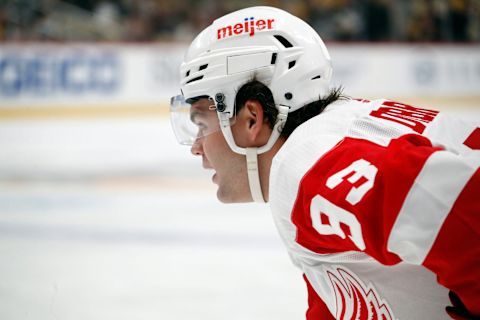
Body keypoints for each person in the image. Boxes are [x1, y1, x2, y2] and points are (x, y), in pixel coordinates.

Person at [169, 6, 480, 320]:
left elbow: (466, 208)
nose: (197, 148)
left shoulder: (307, 165)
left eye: (202, 124)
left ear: (252, 119)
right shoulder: (335, 133)